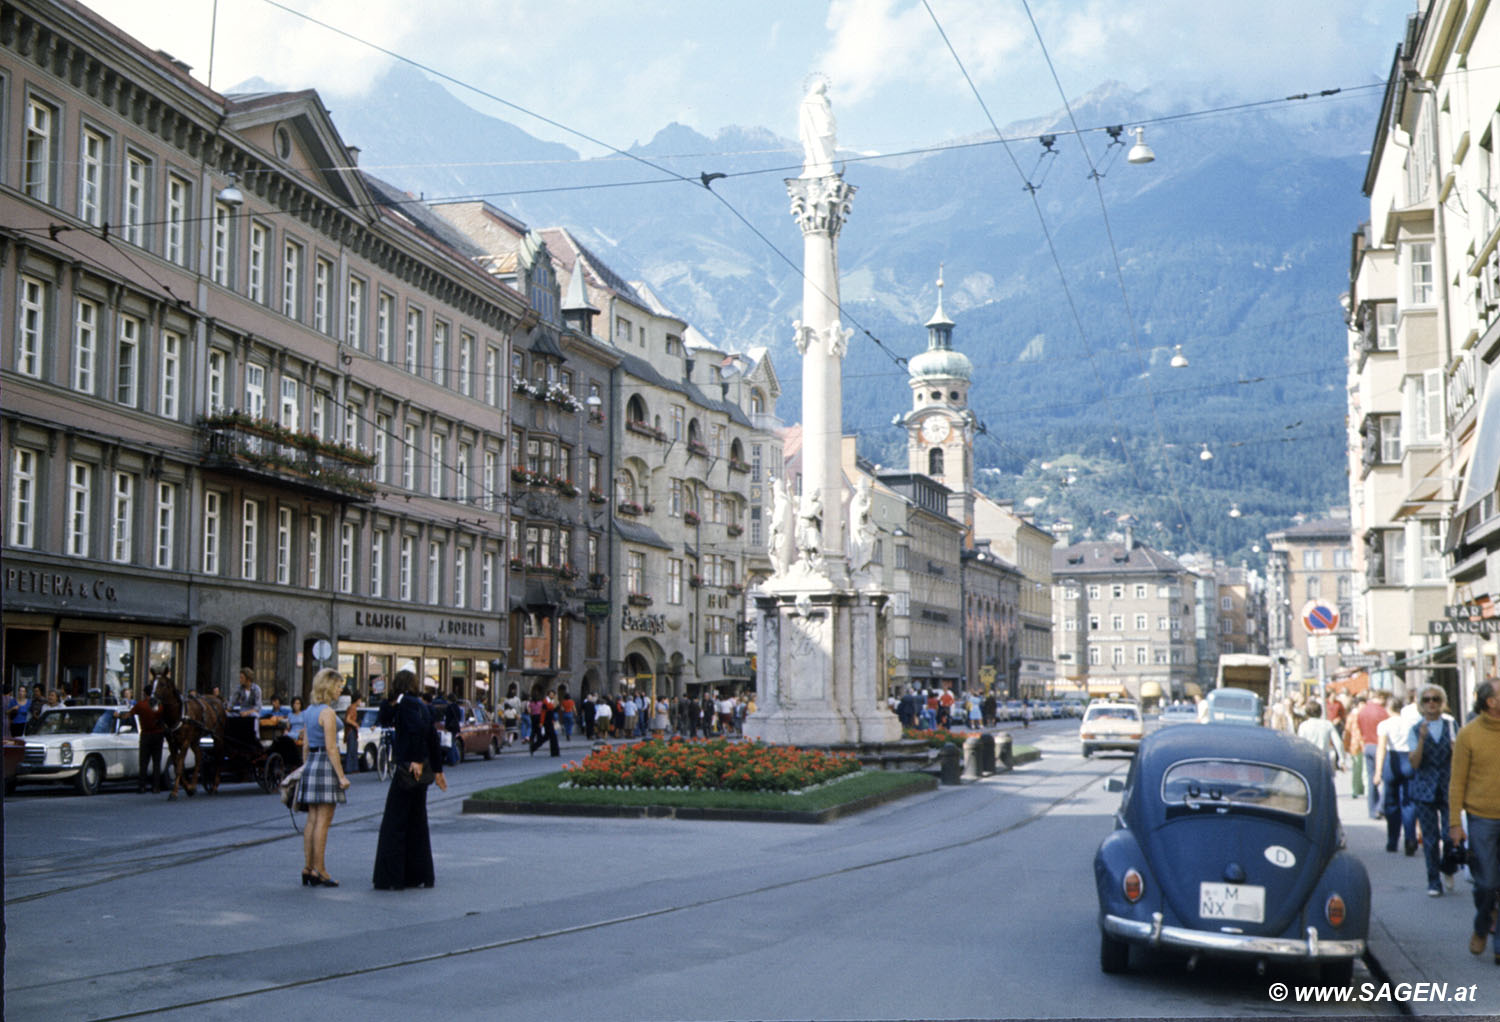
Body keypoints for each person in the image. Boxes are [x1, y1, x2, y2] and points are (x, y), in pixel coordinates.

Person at [373, 670, 446, 891]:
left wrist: (415, 758)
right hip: (421, 770)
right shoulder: (420, 704)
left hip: (408, 767)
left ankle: (393, 876)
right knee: (417, 822)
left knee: (395, 822)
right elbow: (431, 736)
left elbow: (415, 731)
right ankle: (418, 874)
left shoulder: (406, 705)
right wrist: (437, 769)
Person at [1449, 678, 1500, 961]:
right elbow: (1457, 782)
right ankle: (1482, 927)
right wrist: (1455, 823)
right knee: (1486, 884)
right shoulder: (1469, 734)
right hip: (1481, 817)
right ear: (1490, 702)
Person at [297, 668, 352, 887]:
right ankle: (320, 870)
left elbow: (307, 744)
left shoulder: (309, 711)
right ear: (329, 687)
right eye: (338, 686)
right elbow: (331, 747)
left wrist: (304, 767)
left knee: (311, 819)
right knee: (323, 821)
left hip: (311, 763)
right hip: (326, 765)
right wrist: (341, 776)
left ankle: (308, 867)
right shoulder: (328, 713)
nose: (340, 690)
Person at [1407, 685, 1458, 896]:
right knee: (1429, 839)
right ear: (1421, 704)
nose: (1431, 703)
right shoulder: (1415, 729)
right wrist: (1421, 739)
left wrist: (1456, 749)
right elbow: (1415, 763)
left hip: (1448, 787)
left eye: (1436, 699)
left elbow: (1459, 758)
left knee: (1449, 835)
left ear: (1442, 703)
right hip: (1424, 789)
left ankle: (1448, 867)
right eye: (1427, 699)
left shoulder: (1451, 725)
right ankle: (1433, 881)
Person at [1375, 695, 1417, 855]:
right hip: (1409, 759)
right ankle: (1410, 838)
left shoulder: (1384, 725)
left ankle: (1392, 841)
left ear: (1388, 708)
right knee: (1409, 802)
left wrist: (1378, 772)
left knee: (1391, 803)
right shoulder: (1411, 724)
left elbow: (1381, 748)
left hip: (1392, 761)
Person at [115, 689, 165, 793]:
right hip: (158, 734)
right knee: (156, 762)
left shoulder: (140, 705)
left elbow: (128, 715)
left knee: (143, 762)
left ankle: (142, 786)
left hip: (146, 735)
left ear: (144, 693)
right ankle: (156, 787)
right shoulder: (159, 705)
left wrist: (118, 716)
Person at [1356, 690, 1390, 820]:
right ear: (1380, 697)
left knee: (1371, 780)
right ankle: (1381, 806)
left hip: (1367, 745)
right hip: (1379, 746)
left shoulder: (1363, 711)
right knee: (1385, 778)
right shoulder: (1382, 712)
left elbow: (1359, 726)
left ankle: (1372, 809)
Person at [1296, 701, 1343, 769]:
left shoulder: (1303, 726)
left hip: (1309, 759)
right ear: (1320, 712)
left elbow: (1300, 744)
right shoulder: (1327, 724)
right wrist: (1341, 759)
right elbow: (1338, 742)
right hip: (1324, 759)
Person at [344, 690, 365, 775]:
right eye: (360, 700)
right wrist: (355, 724)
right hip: (351, 731)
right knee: (351, 750)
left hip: (352, 731)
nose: (360, 702)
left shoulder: (353, 708)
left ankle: (353, 768)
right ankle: (349, 768)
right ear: (357, 699)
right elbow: (347, 719)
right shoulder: (352, 708)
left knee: (353, 749)